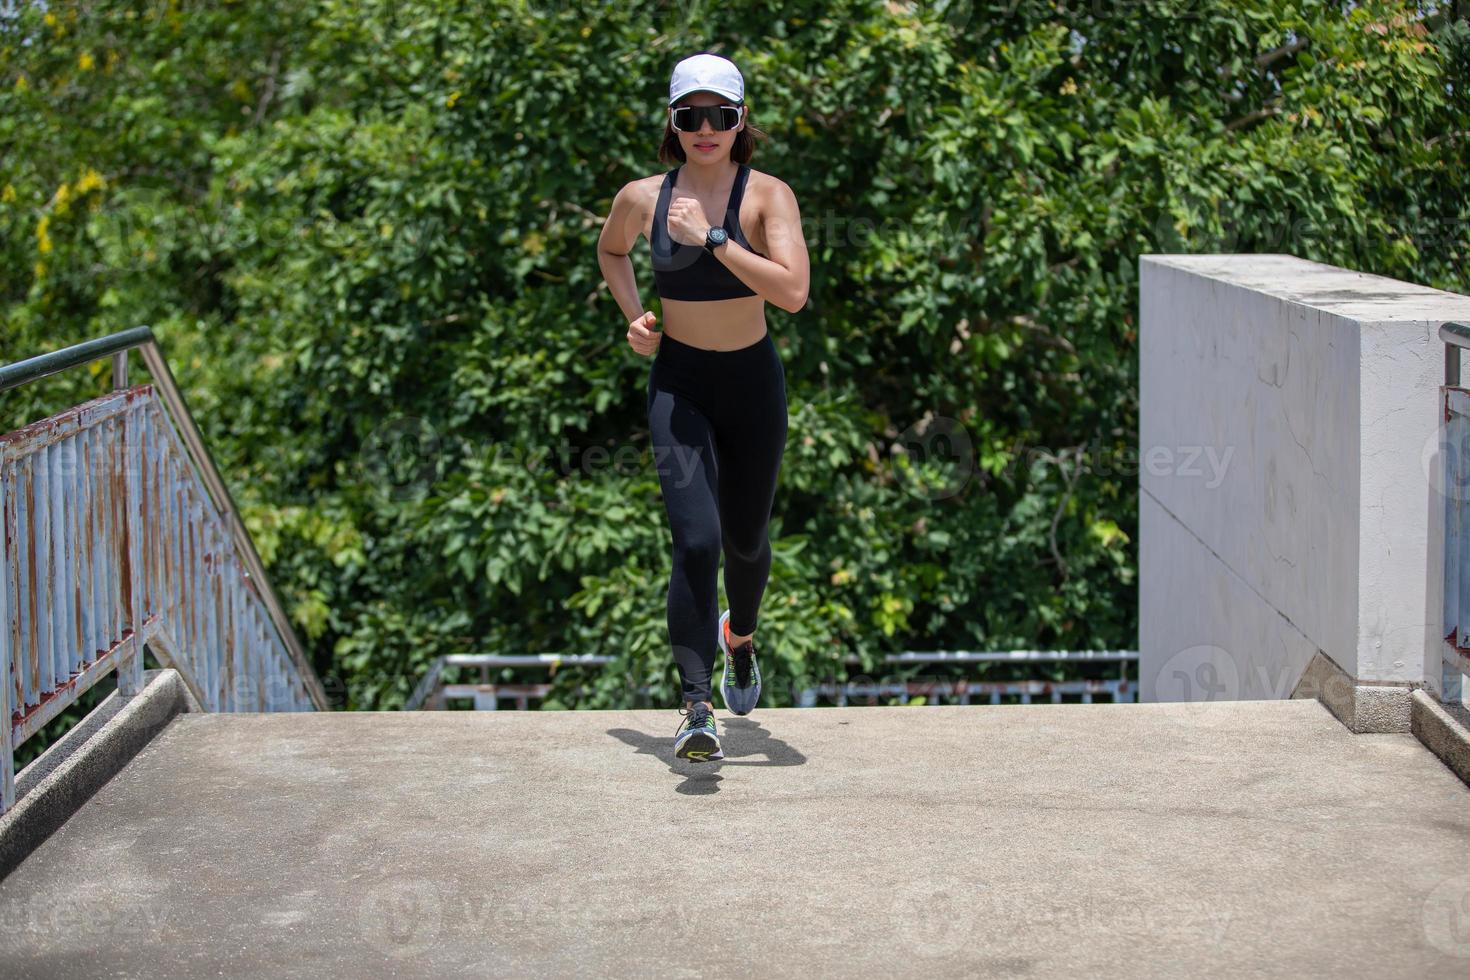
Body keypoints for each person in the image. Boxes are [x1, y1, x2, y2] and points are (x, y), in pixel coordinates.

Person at [596, 51, 810, 763]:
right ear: (674, 121)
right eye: (692, 115)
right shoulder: (642, 196)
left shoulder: (766, 197)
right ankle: (695, 703)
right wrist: (634, 319)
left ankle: (739, 638)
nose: (706, 127)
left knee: (746, 542)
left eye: (721, 114)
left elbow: (792, 292)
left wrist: (713, 240)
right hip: (680, 384)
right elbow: (612, 252)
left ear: (741, 119)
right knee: (696, 540)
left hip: (752, 385)